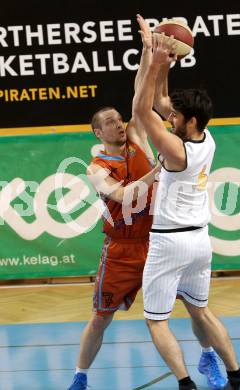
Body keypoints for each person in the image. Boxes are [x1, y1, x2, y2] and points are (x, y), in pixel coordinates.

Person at [133, 16, 240, 390]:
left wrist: (152, 60)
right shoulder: (206, 136)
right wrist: (163, 63)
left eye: (176, 116)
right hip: (200, 241)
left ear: (190, 120)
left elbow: (141, 110)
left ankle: (185, 384)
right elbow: (159, 101)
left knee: (156, 320)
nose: (171, 118)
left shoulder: (175, 149)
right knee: (200, 310)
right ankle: (238, 376)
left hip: (170, 242)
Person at [67, 15, 159, 390]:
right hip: (120, 250)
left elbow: (140, 94)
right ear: (97, 131)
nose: (119, 124)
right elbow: (123, 194)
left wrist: (147, 48)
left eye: (120, 119)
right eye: (111, 122)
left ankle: (211, 360)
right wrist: (159, 171)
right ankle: (80, 376)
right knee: (100, 318)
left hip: (156, 242)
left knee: (191, 306)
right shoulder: (95, 167)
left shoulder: (136, 136)